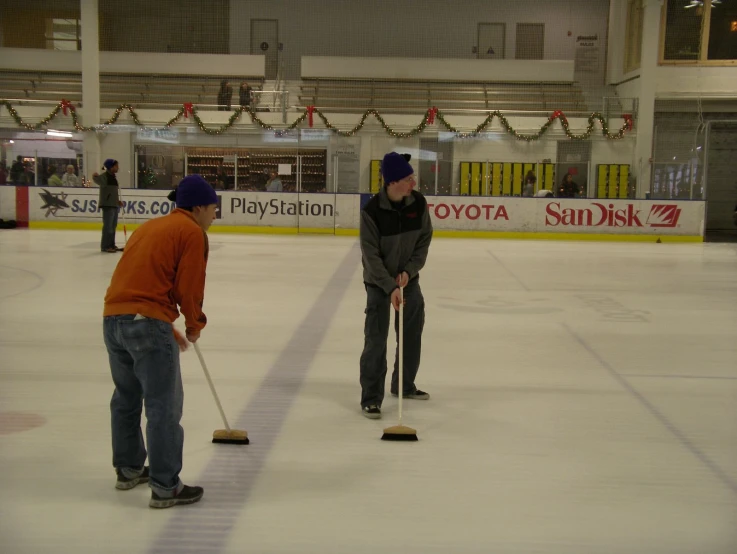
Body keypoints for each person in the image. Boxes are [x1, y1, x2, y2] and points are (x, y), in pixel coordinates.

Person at [102, 174, 218, 509]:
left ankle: (127, 469)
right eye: (213, 208)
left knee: (126, 398)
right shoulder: (191, 232)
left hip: (113, 319)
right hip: (146, 322)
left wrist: (164, 325)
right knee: (163, 405)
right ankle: (166, 485)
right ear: (198, 207)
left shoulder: (149, 227)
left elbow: (136, 282)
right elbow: (190, 286)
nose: (214, 215)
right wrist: (194, 324)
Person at [358, 152, 433, 419]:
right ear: (391, 182)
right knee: (376, 340)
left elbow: (424, 240)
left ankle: (404, 385)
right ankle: (370, 397)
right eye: (407, 179)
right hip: (379, 285)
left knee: (411, 335)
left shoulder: (419, 203)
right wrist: (390, 287)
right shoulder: (372, 212)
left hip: (408, 282)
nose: (413, 183)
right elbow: (370, 256)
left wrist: (409, 272)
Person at [93, 159, 124, 253]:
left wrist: (117, 201)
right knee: (108, 226)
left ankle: (111, 244)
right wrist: (94, 176)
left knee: (113, 226)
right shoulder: (105, 176)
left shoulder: (113, 177)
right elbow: (97, 180)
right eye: (116, 166)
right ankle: (105, 246)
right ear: (111, 167)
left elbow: (112, 192)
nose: (118, 167)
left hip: (113, 204)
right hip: (108, 205)